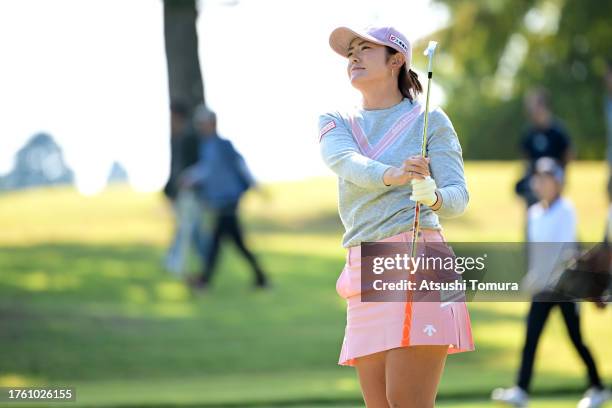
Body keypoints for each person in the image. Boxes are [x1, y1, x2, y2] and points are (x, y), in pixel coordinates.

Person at [319, 26, 475, 407]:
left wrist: (432, 196)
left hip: (418, 257)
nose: (353, 57)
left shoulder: (430, 120)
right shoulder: (336, 120)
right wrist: (395, 174)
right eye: (350, 51)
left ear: (397, 60)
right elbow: (346, 162)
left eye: (365, 49)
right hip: (363, 266)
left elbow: (458, 197)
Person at [492, 157, 609, 408]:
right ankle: (521, 391)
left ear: (558, 183)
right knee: (531, 338)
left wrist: (545, 278)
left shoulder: (566, 210)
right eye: (540, 178)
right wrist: (532, 276)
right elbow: (536, 252)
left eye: (548, 179)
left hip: (565, 289)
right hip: (542, 288)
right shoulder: (534, 213)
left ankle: (598, 387)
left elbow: (563, 252)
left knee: (576, 338)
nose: (542, 183)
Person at [183, 105, 269, 291]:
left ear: (212, 123)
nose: (200, 127)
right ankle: (261, 279)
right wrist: (190, 177)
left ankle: (204, 281)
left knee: (218, 242)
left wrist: (256, 187)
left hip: (228, 201)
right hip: (218, 203)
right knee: (234, 243)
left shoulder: (223, 145)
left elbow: (241, 166)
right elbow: (206, 170)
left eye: (202, 123)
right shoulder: (206, 147)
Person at [164, 100, 209, 276]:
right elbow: (175, 168)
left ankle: (177, 265)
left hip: (191, 193)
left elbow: (193, 168)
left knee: (189, 229)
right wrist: (169, 190)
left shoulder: (190, 137)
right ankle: (204, 263)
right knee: (192, 231)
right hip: (182, 193)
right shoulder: (179, 137)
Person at [515, 88, 573, 209]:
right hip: (535, 181)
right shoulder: (529, 133)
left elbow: (568, 154)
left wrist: (560, 176)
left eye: (534, 107)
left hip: (554, 179)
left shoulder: (557, 131)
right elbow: (525, 158)